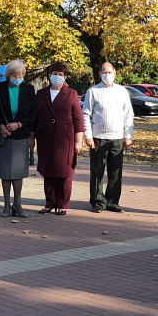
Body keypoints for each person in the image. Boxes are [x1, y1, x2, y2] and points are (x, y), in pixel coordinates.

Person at [82, 61, 134, 213]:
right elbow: (86, 114)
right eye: (104, 72)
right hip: (98, 137)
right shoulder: (93, 91)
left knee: (115, 172)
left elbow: (128, 114)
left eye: (109, 72)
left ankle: (112, 201)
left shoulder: (122, 92)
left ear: (115, 73)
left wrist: (128, 135)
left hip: (117, 138)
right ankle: (98, 201)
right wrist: (89, 136)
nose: (107, 75)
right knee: (97, 171)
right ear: (99, 74)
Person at [0, 60, 38, 218]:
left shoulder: (29, 89)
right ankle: (6, 205)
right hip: (4, 136)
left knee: (18, 172)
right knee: (5, 172)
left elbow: (33, 113)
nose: (18, 78)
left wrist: (20, 124)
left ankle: (18, 203)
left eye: (20, 75)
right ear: (8, 76)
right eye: (15, 75)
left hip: (20, 135)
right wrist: (1, 126)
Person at [35, 61, 85, 214]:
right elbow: (35, 117)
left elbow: (78, 119)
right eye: (54, 74)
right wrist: (32, 137)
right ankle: (50, 203)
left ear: (65, 77)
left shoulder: (72, 94)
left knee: (64, 171)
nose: (57, 77)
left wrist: (78, 141)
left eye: (60, 75)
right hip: (45, 137)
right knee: (48, 170)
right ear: (49, 75)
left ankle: (63, 205)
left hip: (65, 138)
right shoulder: (41, 94)